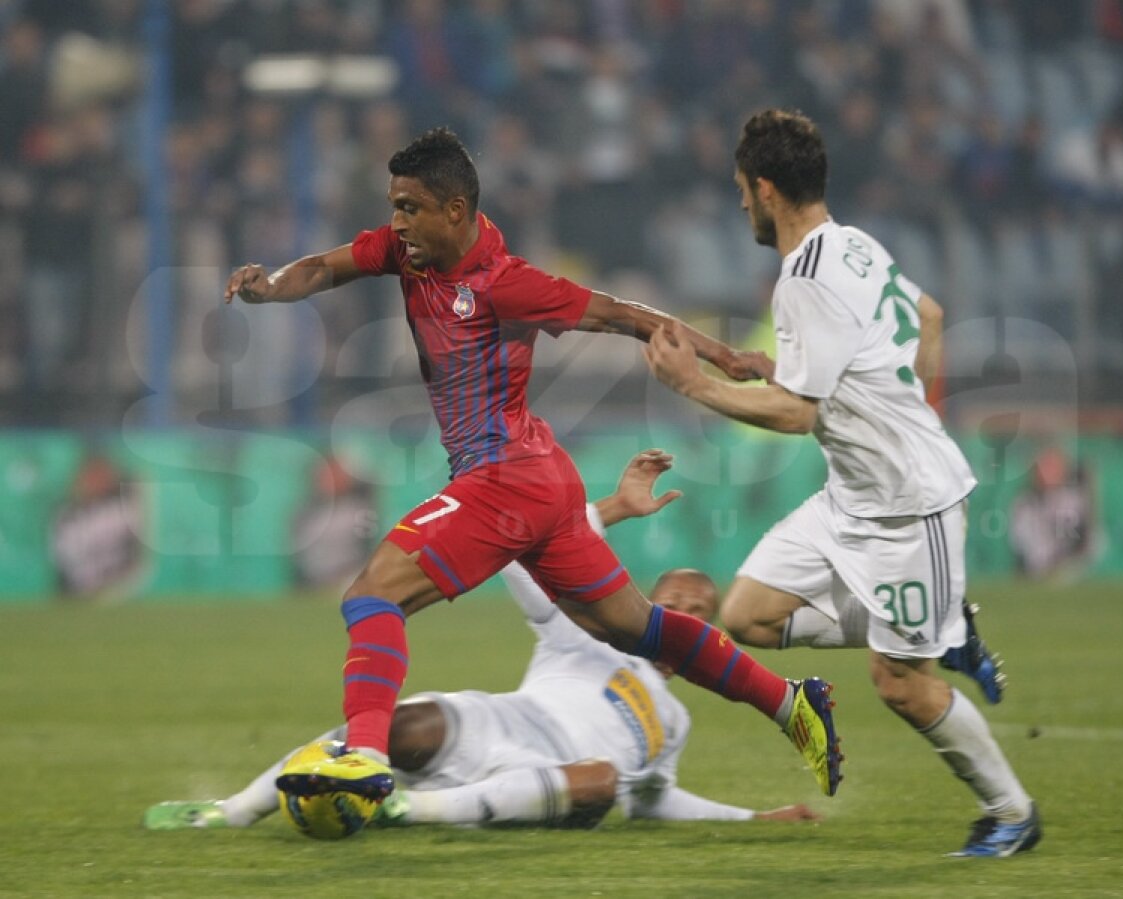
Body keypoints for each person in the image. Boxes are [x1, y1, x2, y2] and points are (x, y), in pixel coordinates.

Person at [222, 128, 841, 809]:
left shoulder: (504, 282)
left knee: (372, 595)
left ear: (454, 210)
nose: (396, 222)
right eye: (393, 206)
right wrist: (270, 286)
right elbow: (325, 267)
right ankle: (790, 703)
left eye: (409, 207)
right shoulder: (407, 250)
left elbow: (619, 313)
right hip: (543, 479)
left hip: (504, 478)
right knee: (634, 626)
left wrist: (725, 357)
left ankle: (365, 756)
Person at [644, 109, 1039, 857]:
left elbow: (797, 414)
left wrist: (691, 385)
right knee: (749, 613)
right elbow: (929, 314)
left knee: (899, 683)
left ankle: (1013, 810)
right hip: (852, 496)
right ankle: (942, 626)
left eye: (740, 190)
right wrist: (906, 402)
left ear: (766, 189)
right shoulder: (851, 243)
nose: (738, 205)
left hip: (907, 506)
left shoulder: (804, 280)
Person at [144, 451, 820, 831]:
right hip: (502, 723)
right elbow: (538, 539)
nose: (685, 611)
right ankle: (234, 811)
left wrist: (753, 818)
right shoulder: (581, 624)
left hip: (547, 776)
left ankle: (406, 808)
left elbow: (655, 797)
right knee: (397, 723)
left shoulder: (672, 720)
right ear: (648, 597)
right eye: (673, 598)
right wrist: (612, 508)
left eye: (698, 610)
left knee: (605, 783)